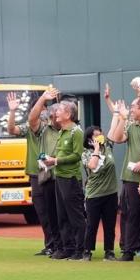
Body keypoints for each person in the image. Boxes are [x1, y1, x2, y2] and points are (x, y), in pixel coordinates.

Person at [8, 88, 62, 256]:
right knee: (42, 211)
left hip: (53, 172)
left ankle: (59, 244)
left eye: (46, 109)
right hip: (35, 172)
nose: (44, 113)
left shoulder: (55, 127)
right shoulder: (32, 126)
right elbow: (12, 130)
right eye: (41, 109)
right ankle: (50, 244)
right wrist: (12, 111)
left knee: (55, 210)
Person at [107, 90, 140, 262]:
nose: (131, 109)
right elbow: (116, 138)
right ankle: (128, 251)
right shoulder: (131, 125)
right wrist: (122, 118)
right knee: (130, 215)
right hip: (129, 178)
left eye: (134, 106)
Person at [45, 100, 85, 261]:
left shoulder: (76, 132)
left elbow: (77, 156)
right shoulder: (62, 131)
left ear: (68, 114)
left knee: (75, 215)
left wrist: (55, 161)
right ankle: (67, 247)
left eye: (60, 110)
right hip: (60, 177)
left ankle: (80, 249)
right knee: (62, 215)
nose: (56, 112)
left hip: (71, 179)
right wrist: (52, 160)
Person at [82, 125, 119, 261]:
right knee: (92, 224)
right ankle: (87, 250)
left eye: (100, 134)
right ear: (89, 139)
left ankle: (109, 251)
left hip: (111, 192)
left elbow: (115, 127)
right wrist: (96, 149)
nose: (99, 137)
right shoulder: (86, 153)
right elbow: (92, 166)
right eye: (95, 135)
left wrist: (117, 114)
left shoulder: (107, 147)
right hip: (94, 194)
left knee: (110, 224)